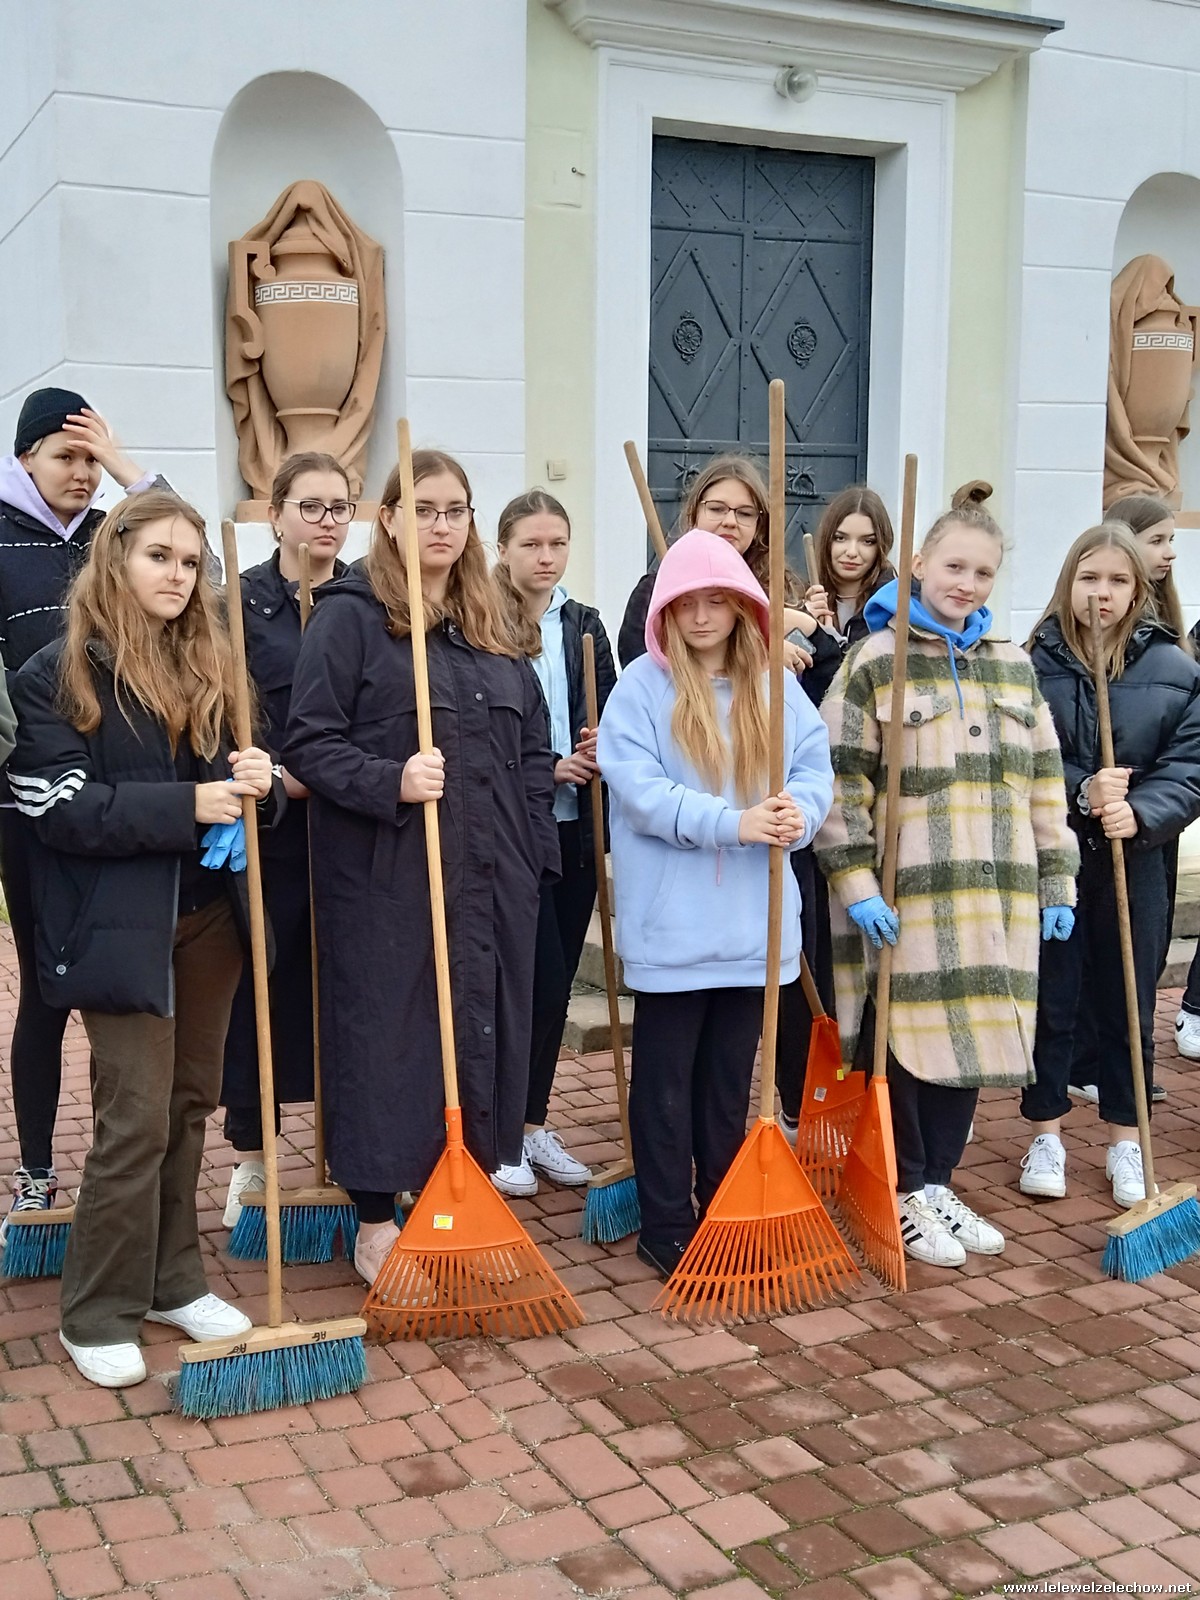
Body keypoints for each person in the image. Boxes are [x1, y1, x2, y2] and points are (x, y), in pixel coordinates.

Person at [7, 490, 277, 1387]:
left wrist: (258, 778)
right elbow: (61, 809)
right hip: (118, 931)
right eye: (159, 556)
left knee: (189, 1105)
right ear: (115, 557)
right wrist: (187, 804)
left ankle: (172, 1280)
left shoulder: (210, 660)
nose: (178, 575)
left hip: (212, 923)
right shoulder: (55, 673)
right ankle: (96, 1309)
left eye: (191, 562)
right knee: (133, 1119)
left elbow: (248, 787)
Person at [284, 450, 560, 1286]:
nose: (442, 525)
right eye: (425, 508)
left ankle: (457, 1192)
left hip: (492, 878)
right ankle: (375, 1218)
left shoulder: (492, 626)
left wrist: (533, 855)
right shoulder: (350, 619)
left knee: (481, 1031)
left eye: (456, 510)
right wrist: (391, 780)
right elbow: (310, 742)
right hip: (388, 877)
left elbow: (534, 751)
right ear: (390, 519)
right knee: (389, 1038)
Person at [816, 503, 1079, 1268]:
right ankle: (901, 1189)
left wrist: (1057, 879)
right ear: (920, 564)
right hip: (910, 897)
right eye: (954, 566)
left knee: (974, 1041)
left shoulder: (1013, 665)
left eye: (983, 572)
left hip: (997, 897)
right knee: (909, 1044)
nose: (966, 582)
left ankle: (937, 1182)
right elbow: (838, 783)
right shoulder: (876, 660)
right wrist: (855, 882)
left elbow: (1044, 782)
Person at [597, 530, 833, 1278]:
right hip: (672, 929)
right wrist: (733, 824)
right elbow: (640, 793)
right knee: (665, 1087)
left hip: (754, 927)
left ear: (742, 607)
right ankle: (667, 1223)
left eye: (716, 602)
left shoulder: (776, 687)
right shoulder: (641, 688)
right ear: (664, 610)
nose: (701, 617)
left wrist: (799, 812)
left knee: (728, 1087)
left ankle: (721, 1210)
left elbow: (813, 767)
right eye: (685, 603)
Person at [0, 389, 163, 1238]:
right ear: (25, 456)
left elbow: (190, 558)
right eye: (66, 457)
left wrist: (128, 469)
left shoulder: (114, 534)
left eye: (92, 459)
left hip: (116, 802)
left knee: (114, 986)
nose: (82, 474)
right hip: (26, 809)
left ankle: (114, 1171)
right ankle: (35, 1171)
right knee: (45, 989)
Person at [1019, 524, 1200, 1204]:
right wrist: (1080, 790)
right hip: (1053, 858)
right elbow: (1017, 757)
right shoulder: (1031, 663)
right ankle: (1045, 1131)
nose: (1102, 593)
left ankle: (1126, 1137)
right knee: (1052, 995)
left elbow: (1189, 763)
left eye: (1118, 580)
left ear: (1139, 589)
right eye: (1089, 577)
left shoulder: (1174, 668)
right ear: (1068, 582)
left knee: (1129, 998)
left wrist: (1142, 811)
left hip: (1135, 857)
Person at [219, 453, 352, 1227]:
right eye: (310, 505)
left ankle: (350, 1147)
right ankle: (252, 1154)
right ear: (275, 515)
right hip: (269, 836)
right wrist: (267, 774)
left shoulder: (367, 600)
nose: (326, 520)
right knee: (260, 990)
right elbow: (218, 715)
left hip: (349, 833)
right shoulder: (238, 607)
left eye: (339, 506)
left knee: (346, 990)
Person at [492, 490, 616, 1196]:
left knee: (559, 985)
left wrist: (604, 743)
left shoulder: (583, 623)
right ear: (503, 548)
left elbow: (615, 710)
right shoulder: (481, 620)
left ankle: (534, 1123)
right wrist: (547, 769)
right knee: (525, 986)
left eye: (557, 544)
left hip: (576, 831)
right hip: (513, 835)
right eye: (531, 544)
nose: (546, 557)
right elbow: (479, 735)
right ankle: (500, 1130)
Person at [616, 454, 836, 684]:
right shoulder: (655, 591)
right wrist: (759, 658)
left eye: (745, 513)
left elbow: (829, 684)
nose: (730, 521)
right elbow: (641, 672)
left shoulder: (777, 591)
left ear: (758, 526)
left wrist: (809, 627)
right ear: (694, 514)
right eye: (716, 509)